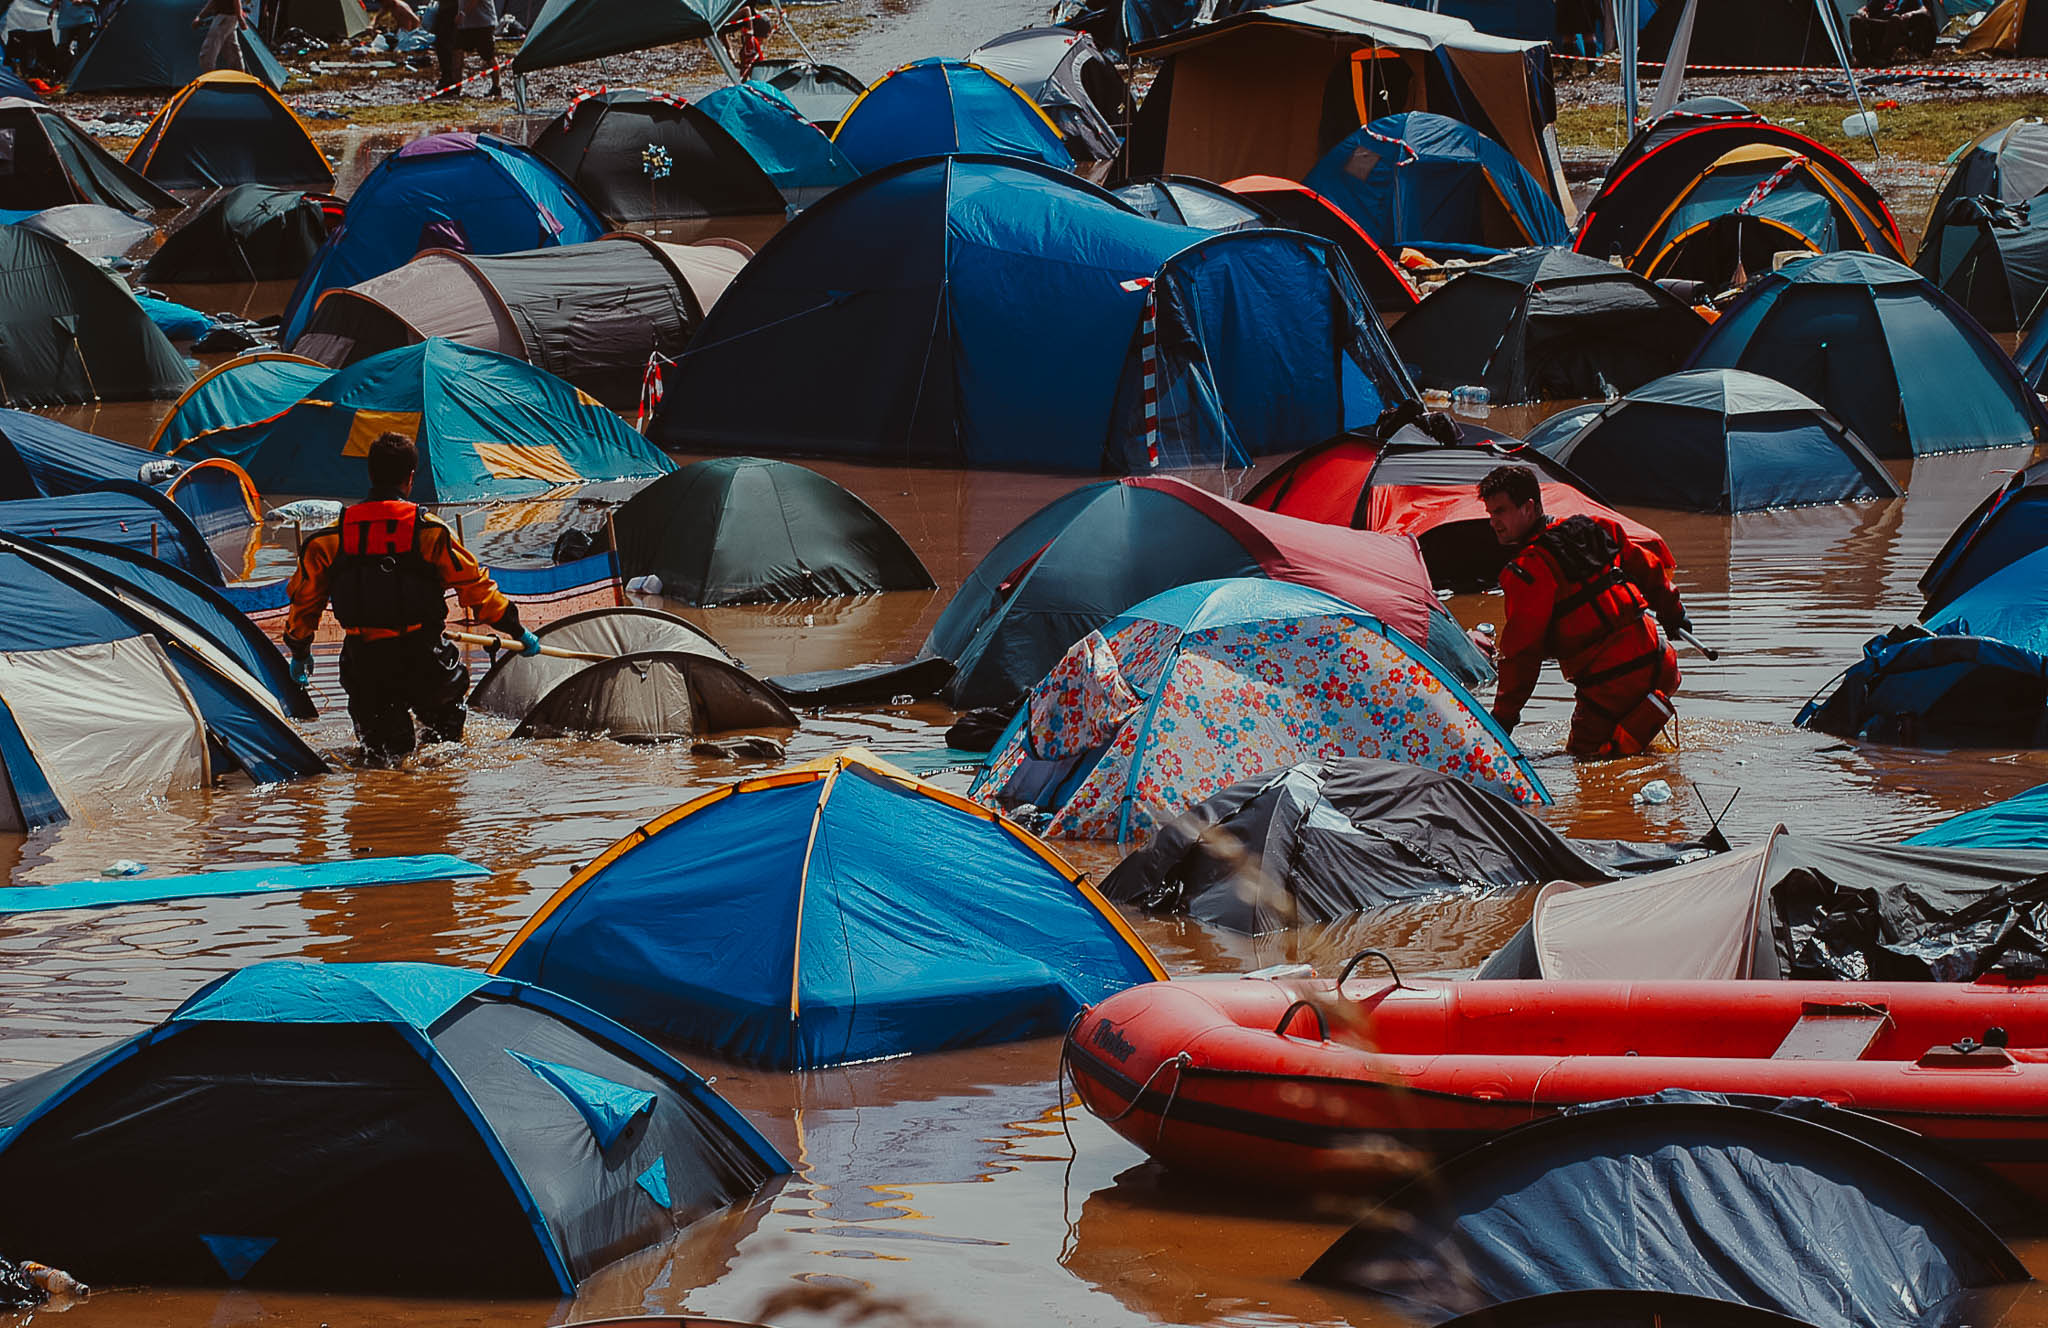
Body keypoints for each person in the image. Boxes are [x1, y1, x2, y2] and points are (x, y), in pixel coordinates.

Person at [283, 432, 539, 764]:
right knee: (444, 754)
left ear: (371, 474)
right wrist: (518, 631)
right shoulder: (431, 531)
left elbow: (305, 603)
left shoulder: (328, 539)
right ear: (411, 477)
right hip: (426, 660)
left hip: (365, 663)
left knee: (381, 761)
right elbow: (477, 591)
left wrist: (300, 651)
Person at [1478, 464, 1691, 759]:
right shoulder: (1594, 527)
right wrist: (1673, 612)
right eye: (1490, 513)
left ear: (1528, 507)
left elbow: (1522, 655)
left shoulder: (1528, 570)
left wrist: (1503, 718)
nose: (1493, 522)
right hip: (1662, 665)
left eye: (1500, 511)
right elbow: (1649, 568)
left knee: (1585, 760)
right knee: (1631, 750)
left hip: (1612, 686)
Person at [1849, 0, 1935, 66]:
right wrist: (1862, 12)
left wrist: (1911, 13)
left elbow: (1924, 10)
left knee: (1895, 18)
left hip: (1897, 25)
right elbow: (1863, 9)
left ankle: (1883, 56)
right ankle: (1863, 58)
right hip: (1877, 24)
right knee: (1856, 20)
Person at [454, 0, 499, 98]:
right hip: (466, 25)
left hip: (483, 23)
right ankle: (456, 86)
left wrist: (462, 13)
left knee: (488, 55)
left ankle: (496, 87)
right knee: (458, 51)